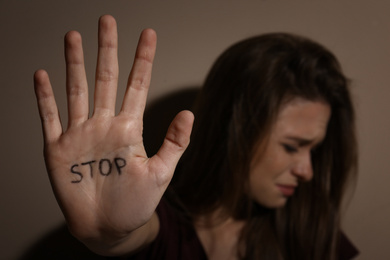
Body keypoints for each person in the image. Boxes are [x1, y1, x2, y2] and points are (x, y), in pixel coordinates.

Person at [34, 15, 358, 260]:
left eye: (314, 150)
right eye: (291, 147)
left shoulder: (312, 233)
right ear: (233, 131)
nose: (307, 171)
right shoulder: (164, 227)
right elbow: (138, 233)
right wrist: (111, 236)